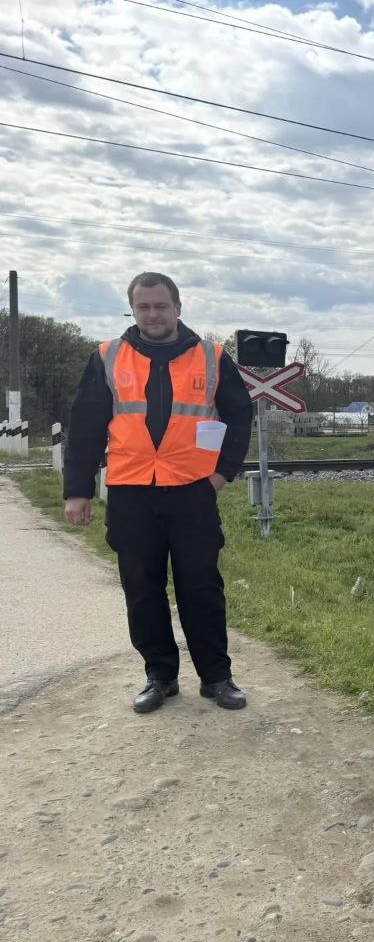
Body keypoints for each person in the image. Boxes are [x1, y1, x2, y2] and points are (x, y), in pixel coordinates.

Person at [63, 272, 253, 714]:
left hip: (192, 491)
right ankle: (160, 676)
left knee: (201, 587)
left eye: (161, 306)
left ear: (178, 308)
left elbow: (239, 418)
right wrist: (77, 491)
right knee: (142, 589)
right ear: (133, 310)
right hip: (131, 491)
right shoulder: (108, 357)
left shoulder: (211, 356)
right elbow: (86, 426)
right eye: (143, 307)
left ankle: (216, 677)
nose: (152, 314)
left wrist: (221, 475)